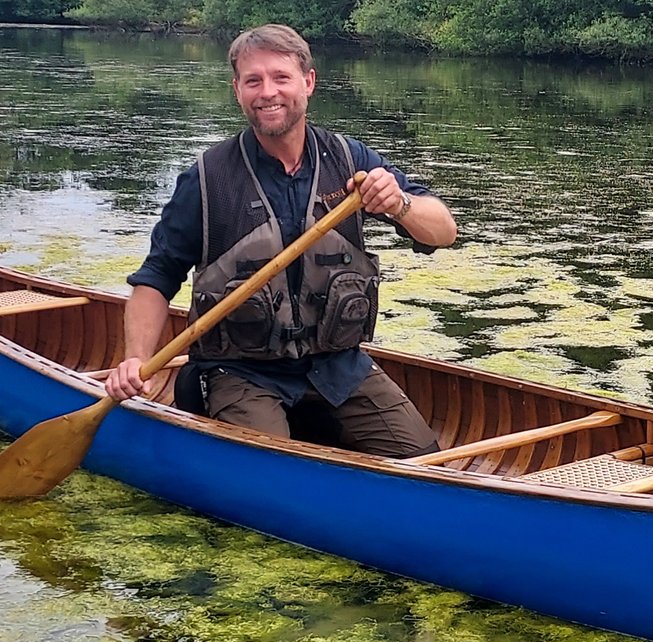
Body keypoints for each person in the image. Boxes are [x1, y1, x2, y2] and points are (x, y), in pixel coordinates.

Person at [103, 24, 458, 456]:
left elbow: (443, 231)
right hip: (240, 371)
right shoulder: (206, 179)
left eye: (281, 77)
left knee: (423, 460)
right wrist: (136, 359)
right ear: (237, 90)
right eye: (253, 80)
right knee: (271, 468)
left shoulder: (350, 161)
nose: (267, 92)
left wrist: (399, 203)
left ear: (308, 82)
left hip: (336, 367)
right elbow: (156, 278)